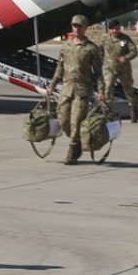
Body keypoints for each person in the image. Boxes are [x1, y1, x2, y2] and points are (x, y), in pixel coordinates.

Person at [46, 14, 106, 164]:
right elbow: (59, 68)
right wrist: (52, 86)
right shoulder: (66, 46)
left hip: (82, 90)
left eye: (79, 26)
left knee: (77, 121)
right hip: (66, 89)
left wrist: (101, 91)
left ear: (86, 27)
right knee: (64, 121)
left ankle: (72, 151)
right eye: (74, 26)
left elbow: (98, 73)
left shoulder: (92, 48)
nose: (76, 28)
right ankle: (77, 140)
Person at [102, 19, 138, 122]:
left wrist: (126, 57)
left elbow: (134, 51)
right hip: (109, 69)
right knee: (108, 89)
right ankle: (107, 111)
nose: (117, 30)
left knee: (128, 90)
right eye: (115, 28)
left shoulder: (125, 39)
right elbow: (99, 51)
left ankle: (133, 109)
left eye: (118, 28)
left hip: (124, 70)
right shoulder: (105, 39)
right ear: (110, 29)